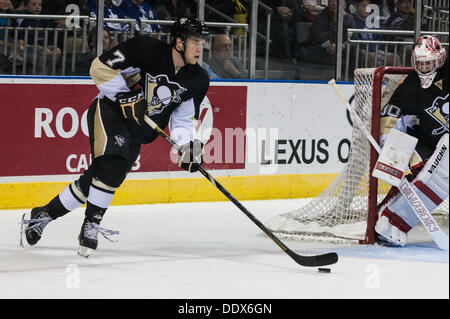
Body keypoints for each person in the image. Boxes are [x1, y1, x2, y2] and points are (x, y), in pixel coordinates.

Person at [21, 17, 210, 257]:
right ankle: (92, 224)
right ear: (179, 42)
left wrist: (187, 146)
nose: (200, 48)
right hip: (110, 111)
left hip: (139, 130)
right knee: (112, 167)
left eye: (202, 42)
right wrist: (125, 96)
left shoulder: (197, 78)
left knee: (99, 178)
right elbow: (99, 67)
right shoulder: (146, 49)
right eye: (195, 41)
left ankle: (43, 214)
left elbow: (183, 119)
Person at [375, 35, 449, 247]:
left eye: (429, 63)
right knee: (432, 179)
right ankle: (388, 217)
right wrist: (391, 146)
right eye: (420, 64)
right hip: (426, 144)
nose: (424, 69)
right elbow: (390, 121)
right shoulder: (409, 88)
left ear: (441, 59)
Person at [298, 0, 354, 65]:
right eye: (331, 1)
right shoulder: (320, 17)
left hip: (343, 51)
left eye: (337, 1)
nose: (334, 3)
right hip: (321, 49)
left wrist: (343, 45)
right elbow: (321, 39)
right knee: (334, 55)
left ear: (344, 4)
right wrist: (335, 21)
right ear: (328, 3)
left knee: (359, 55)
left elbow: (354, 38)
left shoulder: (349, 18)